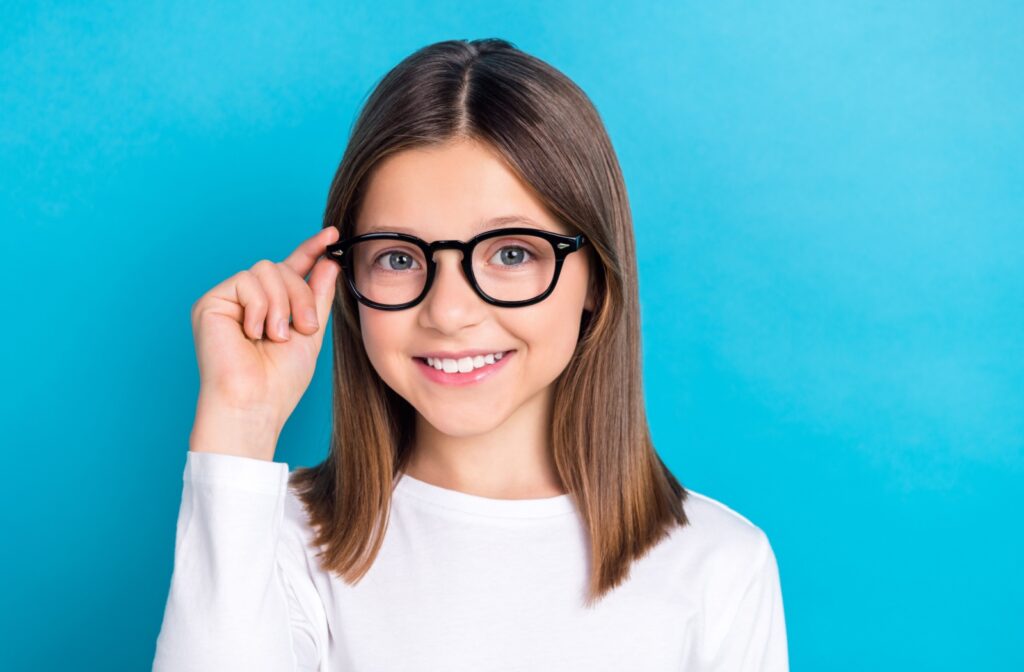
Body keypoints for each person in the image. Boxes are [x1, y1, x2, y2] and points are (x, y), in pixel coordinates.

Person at [151, 38, 789, 671]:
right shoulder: (274, 540)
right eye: (399, 258)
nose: (450, 313)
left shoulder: (719, 566)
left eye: (512, 253)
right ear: (348, 281)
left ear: (595, 277)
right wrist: (240, 422)